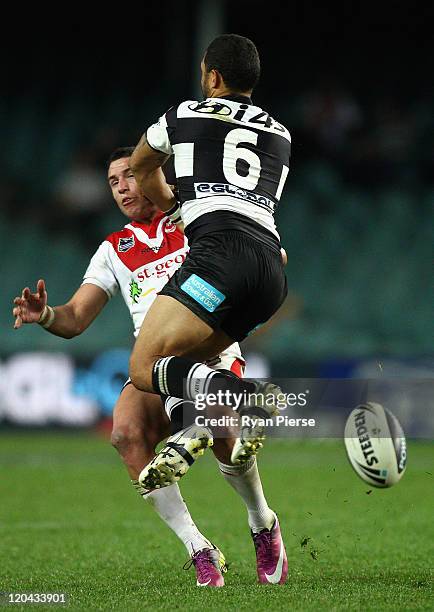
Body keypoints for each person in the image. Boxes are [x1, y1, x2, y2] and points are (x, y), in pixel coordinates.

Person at [12, 147, 288, 586]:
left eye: (129, 176)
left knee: (224, 443)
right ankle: (199, 548)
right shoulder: (113, 250)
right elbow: (76, 318)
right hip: (156, 365)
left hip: (211, 350)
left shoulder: (196, 220)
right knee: (124, 434)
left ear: (154, 177)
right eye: (113, 182)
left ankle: (262, 522)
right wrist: (45, 315)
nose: (122, 187)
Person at [128, 34, 291, 492]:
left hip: (219, 256)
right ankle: (192, 434)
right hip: (271, 270)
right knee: (186, 364)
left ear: (213, 76)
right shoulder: (280, 132)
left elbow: (141, 168)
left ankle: (249, 397)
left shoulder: (183, 114)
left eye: (204, 71)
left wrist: (178, 212)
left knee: (144, 367)